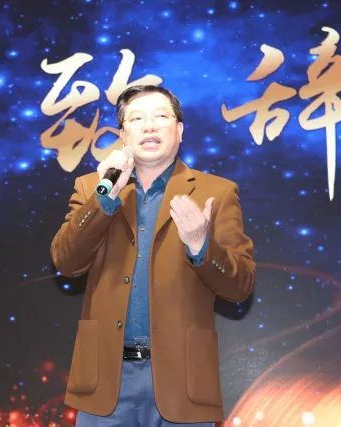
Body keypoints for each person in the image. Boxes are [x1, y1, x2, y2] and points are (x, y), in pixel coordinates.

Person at [50, 85, 255, 426]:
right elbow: (66, 262)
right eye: (137, 119)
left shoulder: (216, 192)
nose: (149, 126)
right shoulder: (93, 187)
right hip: (105, 379)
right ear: (122, 133)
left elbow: (240, 286)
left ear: (179, 129)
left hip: (182, 382)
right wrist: (103, 201)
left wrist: (201, 245)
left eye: (161, 116)